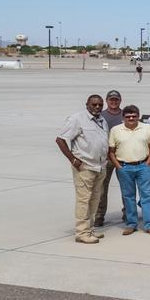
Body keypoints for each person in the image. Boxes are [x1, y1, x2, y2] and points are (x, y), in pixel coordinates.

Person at [55, 94, 109, 244]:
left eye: (99, 104)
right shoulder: (77, 119)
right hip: (85, 166)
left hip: (99, 166)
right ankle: (81, 232)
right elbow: (60, 140)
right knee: (84, 200)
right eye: (94, 105)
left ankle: (90, 229)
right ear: (87, 105)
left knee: (95, 199)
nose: (97, 107)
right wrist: (73, 159)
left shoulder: (102, 120)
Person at [108, 104, 150, 236]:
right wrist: (118, 166)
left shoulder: (146, 128)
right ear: (123, 117)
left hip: (143, 166)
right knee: (128, 197)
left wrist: (148, 163)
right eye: (128, 116)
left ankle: (149, 225)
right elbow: (111, 151)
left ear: (138, 116)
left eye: (134, 116)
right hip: (124, 167)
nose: (131, 118)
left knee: (146, 196)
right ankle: (131, 224)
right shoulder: (115, 130)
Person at [93, 90, 126, 227]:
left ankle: (128, 212)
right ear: (107, 101)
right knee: (101, 188)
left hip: (122, 156)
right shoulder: (100, 115)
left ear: (120, 100)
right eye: (111, 99)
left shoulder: (125, 114)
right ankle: (99, 215)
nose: (114, 102)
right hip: (105, 158)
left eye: (116, 99)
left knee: (126, 187)